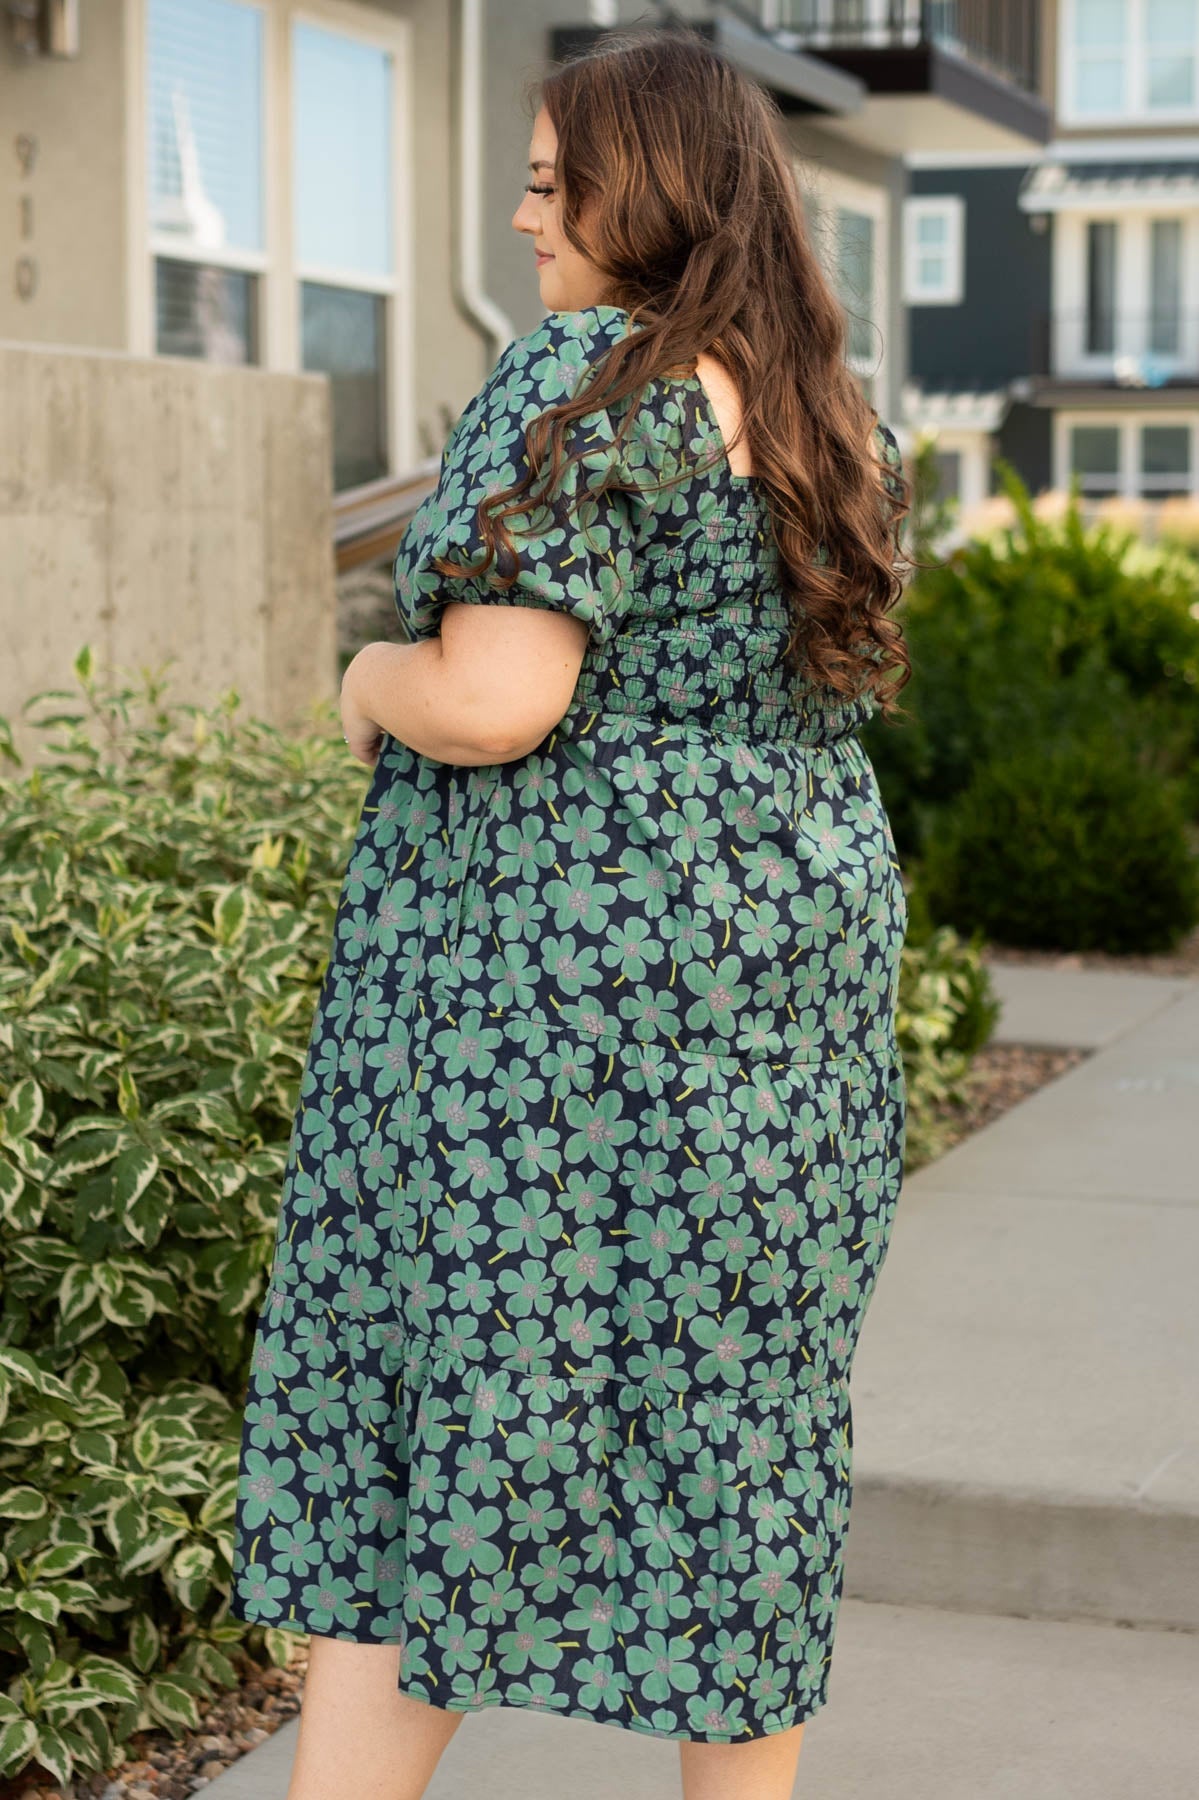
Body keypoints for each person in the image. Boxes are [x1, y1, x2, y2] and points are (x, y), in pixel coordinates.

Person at [229, 24, 912, 1800]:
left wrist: (372, 680)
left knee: (426, 1402)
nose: (529, 216)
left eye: (555, 181)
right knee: (740, 1428)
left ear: (653, 190)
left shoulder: (585, 387)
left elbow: (498, 700)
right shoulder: (833, 416)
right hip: (778, 1014)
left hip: (547, 1031)